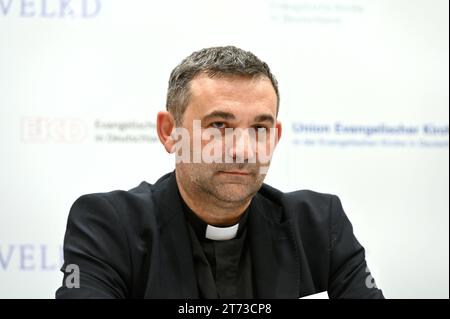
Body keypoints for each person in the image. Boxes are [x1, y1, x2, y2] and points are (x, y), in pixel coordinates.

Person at [56, 46, 384, 299]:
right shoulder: (109, 226)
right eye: (219, 126)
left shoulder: (319, 225)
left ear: (276, 137)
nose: (243, 150)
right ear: (170, 131)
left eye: (259, 128)